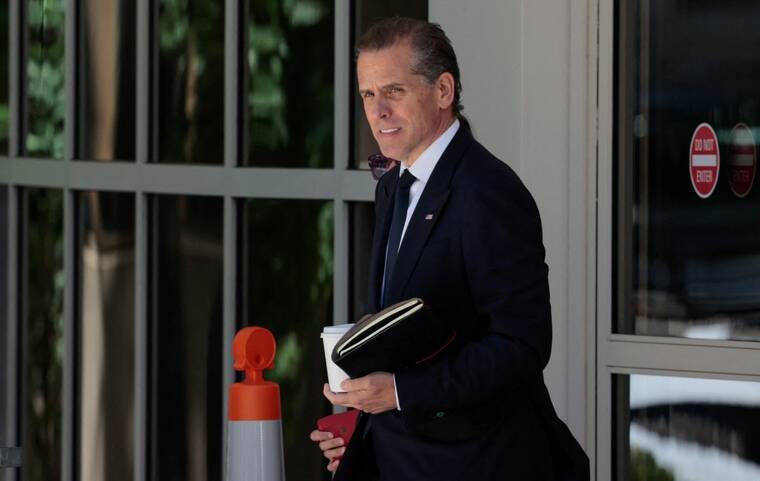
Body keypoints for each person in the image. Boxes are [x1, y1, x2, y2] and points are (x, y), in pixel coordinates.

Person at [309, 17, 589, 481]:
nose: (377, 111)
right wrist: (359, 425)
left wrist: (399, 393)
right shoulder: (393, 186)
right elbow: (400, 341)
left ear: (443, 90)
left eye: (393, 91)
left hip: (483, 463)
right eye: (368, 95)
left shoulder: (488, 191)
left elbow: (521, 345)